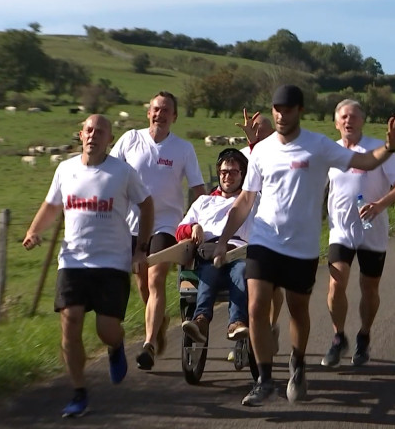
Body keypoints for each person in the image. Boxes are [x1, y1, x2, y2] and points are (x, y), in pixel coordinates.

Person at [213, 84, 395, 406]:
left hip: (301, 246)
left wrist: (388, 147)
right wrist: (222, 241)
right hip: (264, 239)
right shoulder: (261, 150)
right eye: (276, 108)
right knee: (257, 306)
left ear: (299, 111)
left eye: (287, 109)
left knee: (298, 311)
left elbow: (366, 161)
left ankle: (297, 363)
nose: (280, 114)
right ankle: (263, 379)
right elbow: (246, 199)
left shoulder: (319, 146)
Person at [22, 115, 154, 418]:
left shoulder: (122, 172)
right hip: (72, 260)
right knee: (70, 322)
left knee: (106, 329)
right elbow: (53, 205)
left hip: (112, 262)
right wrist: (34, 230)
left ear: (110, 138)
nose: (93, 136)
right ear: (81, 135)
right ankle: (79, 392)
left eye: (100, 132)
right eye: (89, 130)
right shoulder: (65, 169)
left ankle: (116, 345)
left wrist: (141, 249)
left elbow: (146, 204)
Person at [110, 91, 206, 371]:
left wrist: (203, 217)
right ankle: (160, 320)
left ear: (174, 116)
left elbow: (198, 188)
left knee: (155, 280)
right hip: (131, 224)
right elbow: (112, 173)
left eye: (166, 111)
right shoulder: (130, 140)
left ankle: (149, 344)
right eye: (155, 109)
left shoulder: (183, 148)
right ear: (148, 112)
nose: (160, 114)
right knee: (142, 283)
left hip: (166, 223)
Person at [322, 100, 395, 368]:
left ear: (362, 120)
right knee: (336, 284)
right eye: (343, 117)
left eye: (354, 116)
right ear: (336, 123)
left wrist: (381, 204)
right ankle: (338, 337)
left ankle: (363, 336)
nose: (349, 121)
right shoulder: (331, 152)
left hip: (372, 229)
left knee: (369, 287)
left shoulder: (377, 149)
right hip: (340, 230)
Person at [178, 148, 255, 343]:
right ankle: (201, 319)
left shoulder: (251, 202)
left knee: (240, 271)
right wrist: (193, 227)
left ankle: (236, 323)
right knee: (208, 271)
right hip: (210, 254)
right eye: (224, 172)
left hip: (238, 252)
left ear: (242, 175)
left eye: (233, 172)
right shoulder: (204, 201)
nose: (227, 176)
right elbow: (179, 231)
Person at [235, 109, 284, 354]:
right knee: (245, 285)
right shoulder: (242, 156)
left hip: (270, 231)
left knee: (274, 288)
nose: (258, 136)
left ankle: (271, 326)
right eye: (254, 132)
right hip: (244, 229)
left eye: (263, 133)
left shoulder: (279, 154)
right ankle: (244, 336)